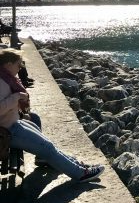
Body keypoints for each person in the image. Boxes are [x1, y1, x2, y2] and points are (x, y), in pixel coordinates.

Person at [2, 50, 102, 182]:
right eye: (18, 65)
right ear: (9, 64)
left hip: (11, 124)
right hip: (6, 132)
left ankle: (77, 165)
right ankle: (81, 174)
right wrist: (16, 97)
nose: (20, 68)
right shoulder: (2, 81)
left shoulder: (5, 78)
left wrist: (19, 110)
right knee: (47, 147)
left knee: (48, 144)